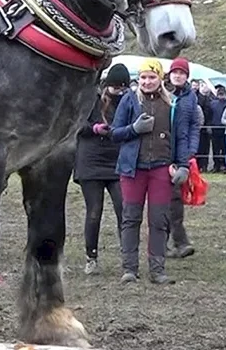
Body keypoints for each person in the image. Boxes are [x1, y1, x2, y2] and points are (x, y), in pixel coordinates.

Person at [110, 58, 190, 285]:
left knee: (159, 220)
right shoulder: (129, 100)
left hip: (161, 169)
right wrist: (133, 129)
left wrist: (183, 164)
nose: (147, 81)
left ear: (160, 79)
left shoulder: (173, 104)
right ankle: (129, 269)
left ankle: (157, 270)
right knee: (130, 218)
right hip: (132, 169)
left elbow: (181, 137)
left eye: (152, 77)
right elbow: (115, 133)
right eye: (144, 77)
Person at [73, 63, 129, 275]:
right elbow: (77, 126)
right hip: (91, 161)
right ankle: (91, 257)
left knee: (123, 209)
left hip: (117, 161)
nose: (118, 91)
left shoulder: (128, 101)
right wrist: (95, 128)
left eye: (122, 87)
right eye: (115, 87)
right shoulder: (91, 100)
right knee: (94, 212)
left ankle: (128, 255)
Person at [165, 58, 199, 259]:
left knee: (175, 197)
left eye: (182, 73)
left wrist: (191, 150)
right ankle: (174, 241)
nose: (178, 75)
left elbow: (194, 125)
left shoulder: (190, 97)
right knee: (163, 200)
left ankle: (178, 241)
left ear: (187, 76)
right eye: (175, 72)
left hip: (180, 153)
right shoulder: (161, 92)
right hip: (160, 150)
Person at [210, 86, 226, 173]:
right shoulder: (213, 103)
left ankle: (224, 165)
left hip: (225, 128)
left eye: (222, 94)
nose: (221, 96)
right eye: (220, 94)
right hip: (215, 128)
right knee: (216, 149)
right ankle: (216, 165)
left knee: (225, 148)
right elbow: (209, 115)